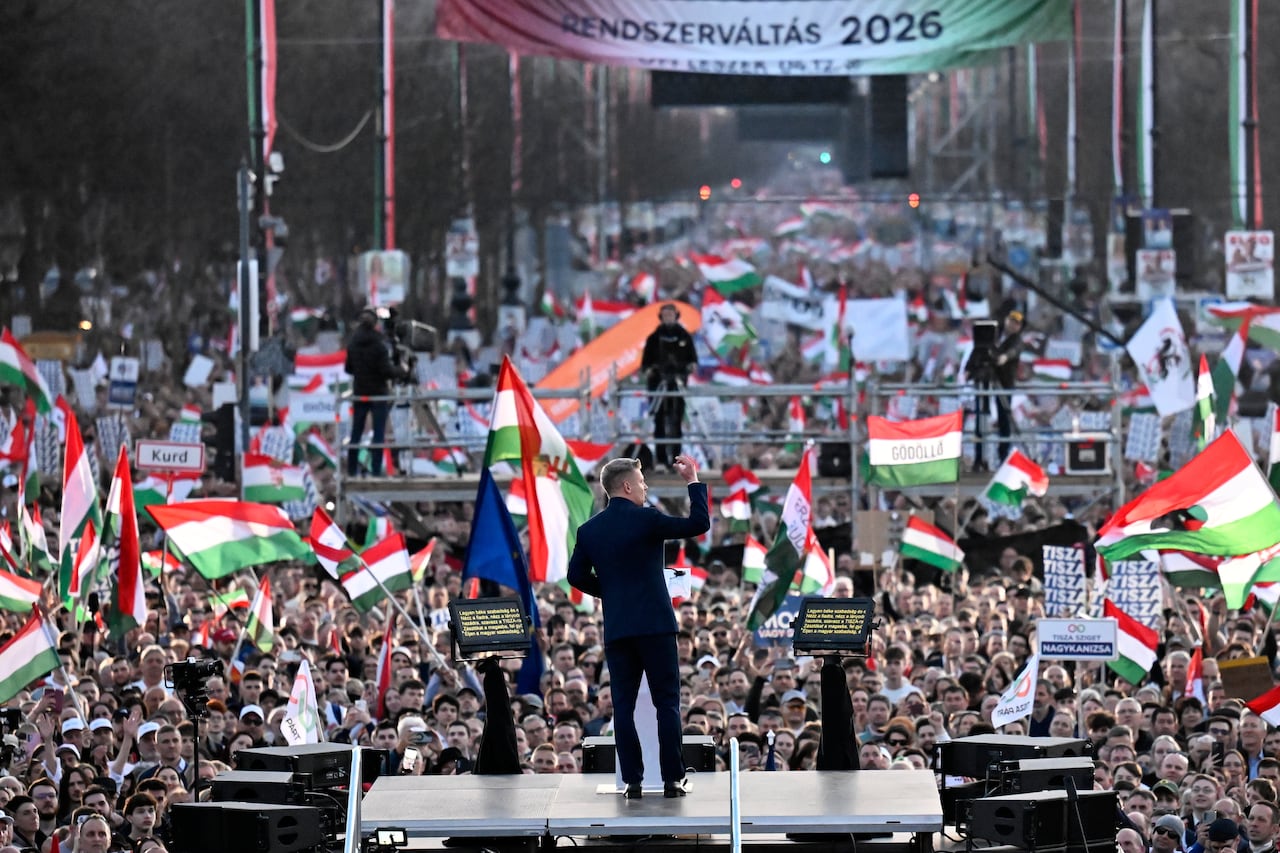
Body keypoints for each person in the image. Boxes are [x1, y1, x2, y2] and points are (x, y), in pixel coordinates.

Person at [567, 455, 710, 798]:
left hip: (619, 630)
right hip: (656, 627)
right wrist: (692, 480)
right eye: (642, 483)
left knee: (623, 707)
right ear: (627, 486)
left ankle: (632, 781)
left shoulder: (589, 530)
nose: (645, 488)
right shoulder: (647, 519)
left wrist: (611, 592)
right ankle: (672, 779)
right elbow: (699, 523)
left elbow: (575, 576)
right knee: (667, 704)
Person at [344, 308, 409, 477]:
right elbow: (387, 371)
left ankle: (351, 470)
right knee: (378, 434)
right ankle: (375, 470)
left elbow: (348, 368)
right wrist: (401, 370)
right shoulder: (379, 345)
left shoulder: (352, 344)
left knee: (356, 433)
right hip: (378, 393)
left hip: (360, 393)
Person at [639, 304, 697, 468]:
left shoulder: (684, 337)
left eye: (671, 314)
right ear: (661, 317)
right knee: (659, 421)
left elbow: (692, 361)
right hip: (658, 384)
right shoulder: (654, 338)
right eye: (665, 315)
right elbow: (645, 364)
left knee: (676, 421)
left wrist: (686, 369)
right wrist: (652, 371)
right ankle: (662, 460)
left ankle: (676, 460)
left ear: (676, 316)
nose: (668, 317)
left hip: (677, 385)